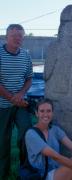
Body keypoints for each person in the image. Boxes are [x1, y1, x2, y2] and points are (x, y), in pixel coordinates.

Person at [25, 98, 72, 180]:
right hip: (43, 175)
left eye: (48, 111)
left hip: (58, 170)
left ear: (52, 113)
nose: (45, 114)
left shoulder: (55, 130)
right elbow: (56, 157)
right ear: (36, 113)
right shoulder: (31, 134)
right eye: (42, 111)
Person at [0, 24, 32, 178]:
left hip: (21, 105)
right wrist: (12, 98)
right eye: (14, 35)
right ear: (6, 37)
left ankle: (25, 169)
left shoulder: (26, 56)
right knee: (2, 139)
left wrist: (20, 94)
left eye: (20, 36)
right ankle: (3, 172)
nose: (17, 38)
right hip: (2, 106)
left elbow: (29, 78)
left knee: (27, 133)